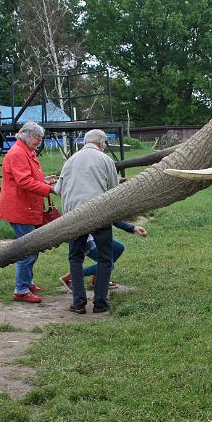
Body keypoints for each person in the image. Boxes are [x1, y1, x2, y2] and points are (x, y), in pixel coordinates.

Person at [54, 129, 119, 314]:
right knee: (105, 257)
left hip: (74, 215)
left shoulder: (70, 160)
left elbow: (58, 189)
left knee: (76, 257)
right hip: (99, 212)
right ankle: (100, 303)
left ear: (85, 143)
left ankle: (79, 302)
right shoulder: (106, 160)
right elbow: (114, 190)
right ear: (101, 144)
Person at [0, 121, 57, 303]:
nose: (39, 142)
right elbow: (24, 182)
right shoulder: (18, 153)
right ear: (27, 135)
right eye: (37, 138)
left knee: (33, 246)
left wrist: (44, 180)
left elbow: (28, 177)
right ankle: (21, 289)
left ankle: (27, 282)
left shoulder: (26, 152)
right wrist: (50, 190)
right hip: (20, 209)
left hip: (27, 207)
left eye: (40, 139)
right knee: (27, 249)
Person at [59, 220, 147, 291]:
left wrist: (133, 228)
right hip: (85, 241)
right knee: (108, 265)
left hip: (95, 236)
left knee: (119, 248)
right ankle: (70, 277)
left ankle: (98, 279)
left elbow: (113, 218)